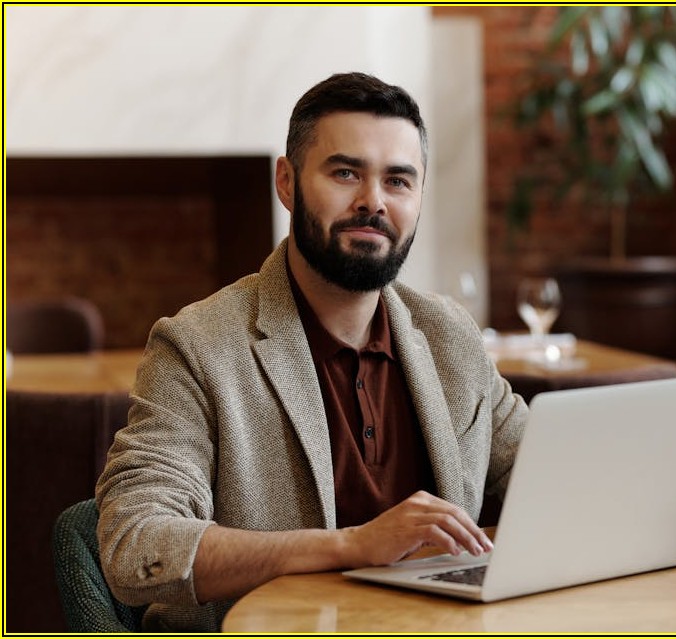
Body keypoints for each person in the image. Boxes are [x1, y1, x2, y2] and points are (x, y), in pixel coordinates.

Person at [95, 72, 528, 632]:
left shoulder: (451, 335)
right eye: (345, 173)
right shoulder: (197, 346)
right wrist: (350, 545)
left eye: (398, 180)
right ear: (287, 182)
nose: (373, 202)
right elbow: (135, 545)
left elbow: (550, 473)